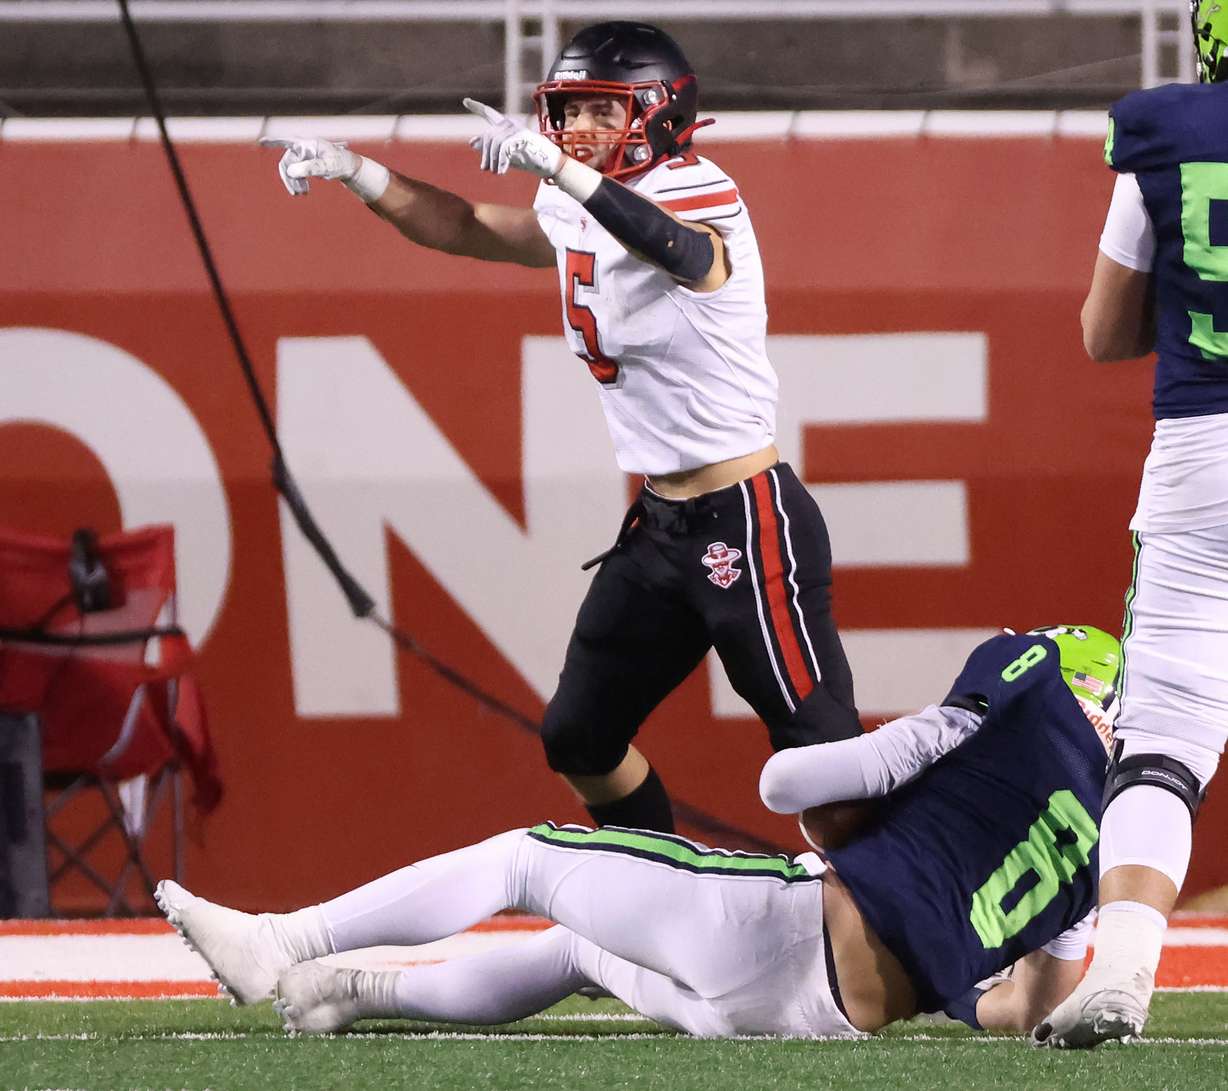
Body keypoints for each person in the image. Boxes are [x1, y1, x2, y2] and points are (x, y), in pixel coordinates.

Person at [261, 21, 863, 835]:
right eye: (567, 108)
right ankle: (656, 904)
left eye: (599, 111)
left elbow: (686, 255)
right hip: (660, 525)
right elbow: (472, 226)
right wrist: (361, 172)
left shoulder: (696, 185)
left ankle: (891, 939)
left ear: (655, 114)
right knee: (579, 734)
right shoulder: (573, 196)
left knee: (822, 762)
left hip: (746, 516)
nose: (575, 128)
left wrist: (562, 173)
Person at [156, 625, 1118, 1039]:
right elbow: (1035, 1001)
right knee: (581, 950)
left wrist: (904, 767)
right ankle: (348, 993)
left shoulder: (1024, 688)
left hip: (786, 928)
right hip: (813, 1025)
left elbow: (789, 780)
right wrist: (947, 987)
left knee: (525, 859)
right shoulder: (1111, 836)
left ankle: (283, 941)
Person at [1032, 2, 1228, 1049]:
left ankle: (1123, 967)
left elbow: (1104, 332)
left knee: (1165, 735)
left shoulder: (1166, 130)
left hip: (1207, 451)